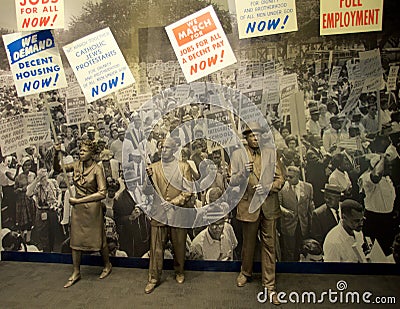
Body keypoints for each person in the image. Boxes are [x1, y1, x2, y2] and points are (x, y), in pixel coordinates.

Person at [230, 122, 284, 306]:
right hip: (249, 206)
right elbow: (232, 181)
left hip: (269, 206)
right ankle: (246, 272)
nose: (256, 138)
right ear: (246, 138)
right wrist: (243, 174)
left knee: (270, 246)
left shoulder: (271, 153)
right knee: (249, 243)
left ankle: (270, 285)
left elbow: (280, 179)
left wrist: (268, 187)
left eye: (259, 135)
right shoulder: (238, 155)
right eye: (252, 136)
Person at [54, 139, 112, 288]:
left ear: (92, 154)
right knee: (75, 240)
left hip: (92, 209)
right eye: (80, 150)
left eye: (84, 151)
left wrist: (78, 201)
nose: (80, 152)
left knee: (99, 239)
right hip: (78, 209)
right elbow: (58, 169)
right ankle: (76, 271)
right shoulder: (76, 165)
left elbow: (102, 193)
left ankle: (107, 265)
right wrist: (56, 153)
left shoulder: (97, 170)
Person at [140, 137, 193, 294]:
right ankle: (153, 278)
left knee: (179, 246)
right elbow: (146, 191)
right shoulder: (153, 168)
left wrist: (174, 202)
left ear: (175, 149)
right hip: (159, 214)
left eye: (167, 148)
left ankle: (179, 272)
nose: (163, 150)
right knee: (156, 248)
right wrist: (148, 180)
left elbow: (187, 191)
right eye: (161, 147)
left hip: (178, 213)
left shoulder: (184, 167)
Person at [278, 166, 314, 261]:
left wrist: (311, 225)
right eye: (287, 176)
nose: (288, 179)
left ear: (298, 176)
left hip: (303, 225)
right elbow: (277, 205)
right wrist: (285, 211)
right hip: (288, 225)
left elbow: (310, 208)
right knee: (289, 251)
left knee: (303, 249)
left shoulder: (308, 187)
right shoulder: (281, 188)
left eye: (291, 177)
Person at [26, 168, 61, 252]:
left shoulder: (53, 182)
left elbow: (59, 192)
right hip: (42, 211)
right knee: (43, 233)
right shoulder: (37, 186)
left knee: (53, 232)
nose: (43, 179)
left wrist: (58, 203)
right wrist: (36, 180)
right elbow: (28, 193)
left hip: (52, 210)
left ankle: (52, 249)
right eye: (41, 177)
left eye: (44, 176)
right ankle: (46, 251)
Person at [14, 157, 36, 244]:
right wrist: (19, 190)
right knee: (23, 222)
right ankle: (22, 240)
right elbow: (14, 190)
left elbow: (35, 186)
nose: (27, 167)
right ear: (22, 167)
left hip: (30, 199)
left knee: (30, 221)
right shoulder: (18, 177)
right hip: (21, 201)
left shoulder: (33, 175)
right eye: (25, 165)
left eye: (29, 165)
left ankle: (28, 240)